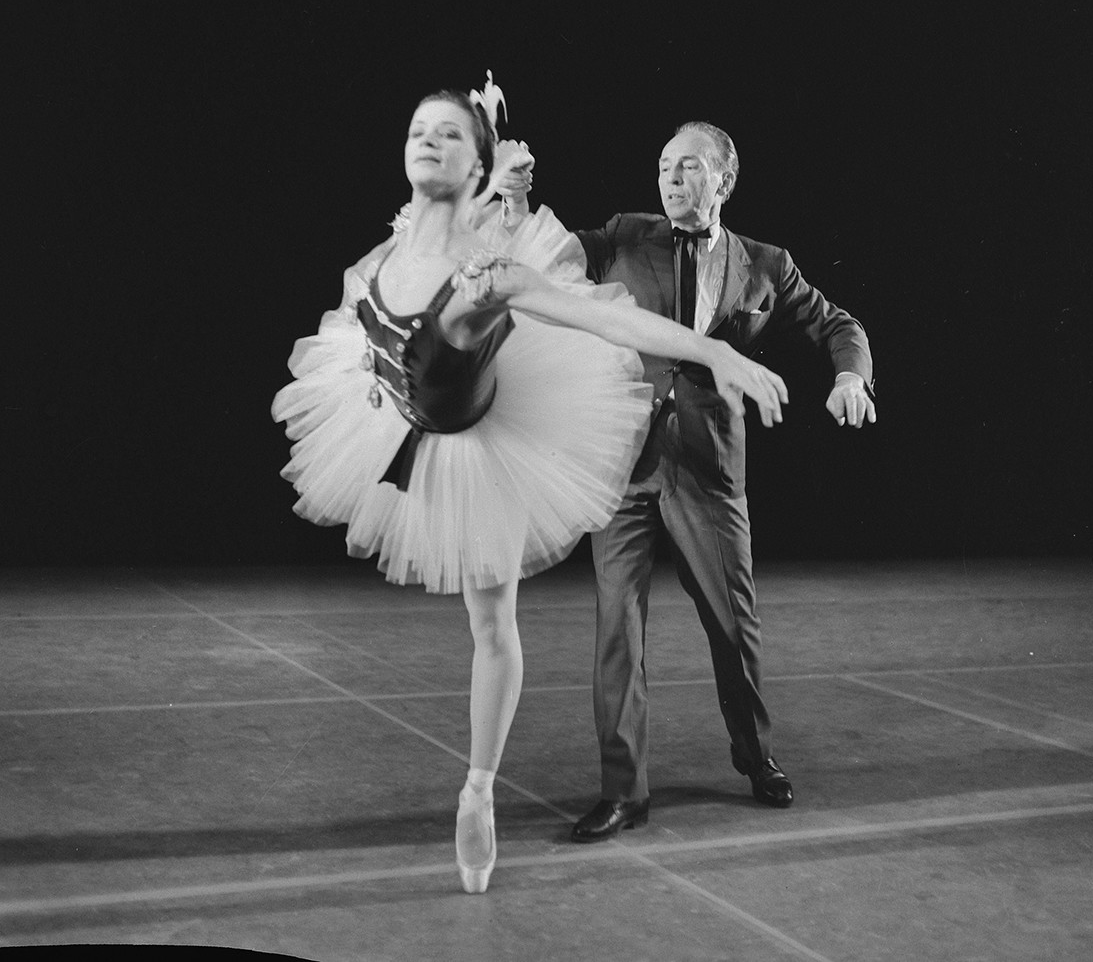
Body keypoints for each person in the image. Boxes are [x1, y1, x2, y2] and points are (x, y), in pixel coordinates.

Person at [271, 78, 789, 894]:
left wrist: (717, 353)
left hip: (485, 437)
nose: (427, 140)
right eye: (418, 129)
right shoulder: (385, 251)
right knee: (573, 622)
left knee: (493, 622)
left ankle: (477, 789)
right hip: (404, 412)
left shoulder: (489, 277)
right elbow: (390, 287)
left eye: (449, 134)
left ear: (472, 164)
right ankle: (611, 784)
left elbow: (607, 320)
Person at [499, 119, 875, 841]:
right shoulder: (623, 234)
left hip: (707, 472)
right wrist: (515, 202)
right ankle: (623, 792)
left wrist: (850, 377)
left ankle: (755, 755)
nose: (671, 179)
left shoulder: (767, 263)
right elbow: (543, 262)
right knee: (619, 633)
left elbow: (837, 324)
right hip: (621, 465)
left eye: (689, 167)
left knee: (734, 628)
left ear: (724, 180)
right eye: (664, 166)